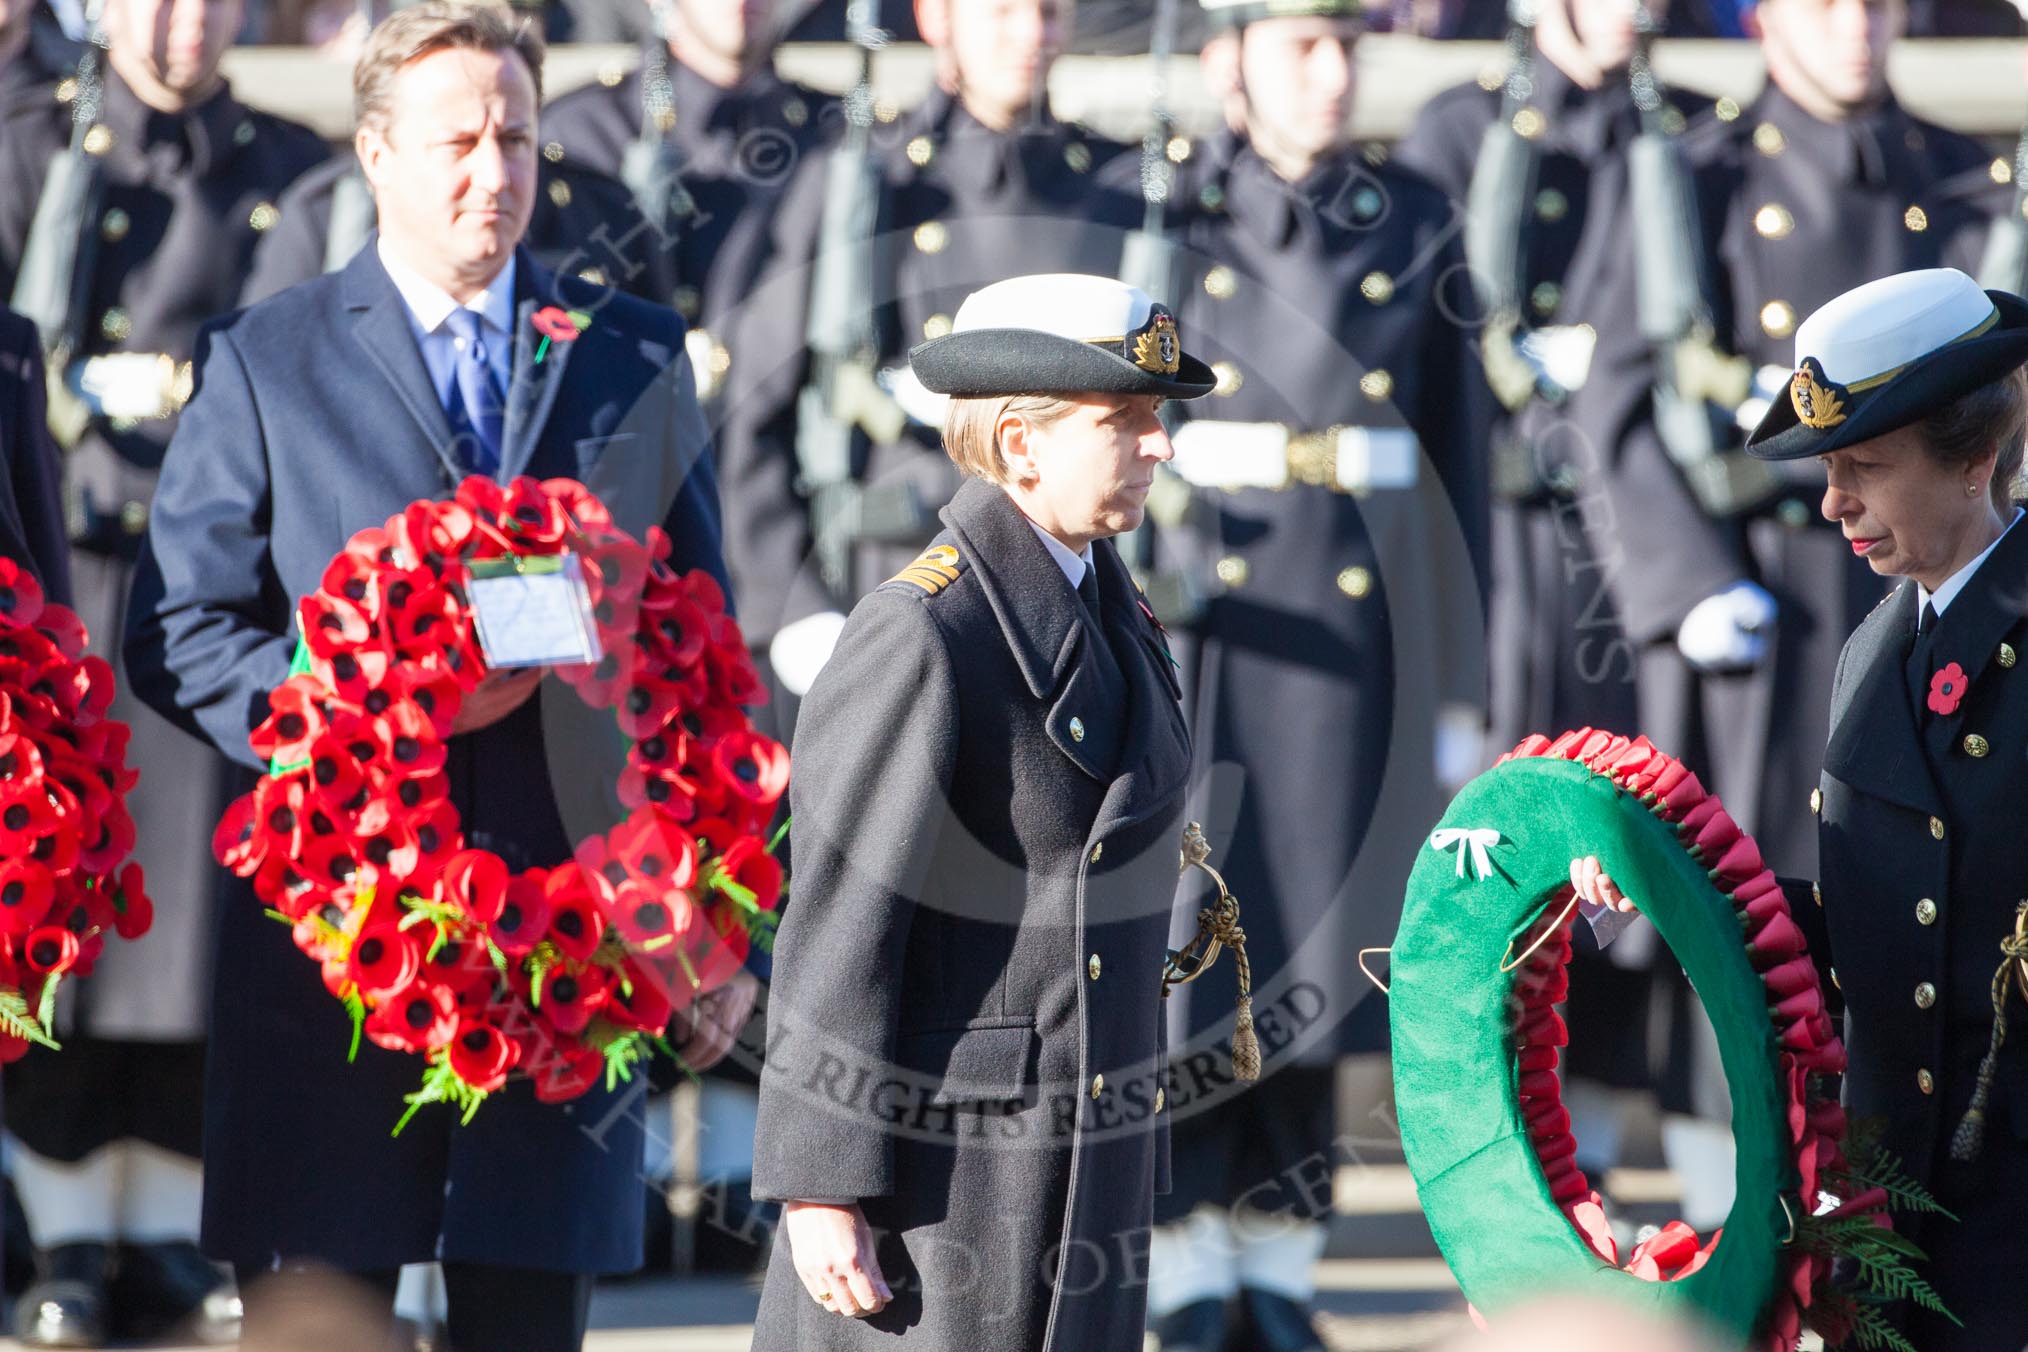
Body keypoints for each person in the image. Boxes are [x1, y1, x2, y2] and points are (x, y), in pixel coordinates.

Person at [120, 6, 749, 1349]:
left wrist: (701, 925)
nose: (494, 171)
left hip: (564, 951)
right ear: (374, 156)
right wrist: (357, 712)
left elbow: (702, 666)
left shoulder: (632, 351)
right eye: (457, 140)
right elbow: (177, 631)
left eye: (516, 136)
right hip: (335, 943)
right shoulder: (265, 356)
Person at [1563, 0, 1995, 1229]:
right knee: (1747, 903)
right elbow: (1615, 404)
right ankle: (1739, 1220)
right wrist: (1686, 580)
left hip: (1939, 592)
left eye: (1877, 0)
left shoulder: (1961, 173)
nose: (1856, 24)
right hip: (1766, 603)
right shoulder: (1695, 175)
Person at [748, 273, 1203, 1349]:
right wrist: (820, 1184)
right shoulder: (926, 630)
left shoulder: (1110, 600)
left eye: (1157, 416)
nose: (1160, 444)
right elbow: (842, 922)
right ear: (1020, 442)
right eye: (1123, 418)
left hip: (1079, 1148)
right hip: (950, 1181)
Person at [1576, 265, 2028, 1349]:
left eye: (1866, 466)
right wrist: (1666, 876)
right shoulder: (1876, 646)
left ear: (1975, 458)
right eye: (1829, 470)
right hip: (1896, 1208)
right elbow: (1880, 920)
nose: (1834, 504)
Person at [1125, 3, 1489, 1348]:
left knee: (1314, 965)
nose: (1331, 76)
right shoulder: (1170, 217)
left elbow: (1461, 478)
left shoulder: (1416, 222)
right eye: (1298, 46)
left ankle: (1280, 1278)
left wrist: (1462, 691)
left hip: (1351, 649)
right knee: (1187, 960)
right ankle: (1184, 1268)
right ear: (1229, 67)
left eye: (1345, 46)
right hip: (1209, 633)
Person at [0, 0, 328, 1340]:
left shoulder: (283, 166)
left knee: (190, 933)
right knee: (54, 915)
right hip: (64, 573)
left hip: (202, 584)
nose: (183, 26)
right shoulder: (27, 145)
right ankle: (66, 1240)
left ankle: (168, 1233)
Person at [1389, 0, 1703, 1232]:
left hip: (1630, 539)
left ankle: (1606, 1146)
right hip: (1504, 538)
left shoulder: (1674, 130)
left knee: (1629, 819)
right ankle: (1504, 1151)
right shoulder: (1459, 128)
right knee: (1504, 829)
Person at [721, 0, 1141, 723]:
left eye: (1049, 11)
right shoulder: (867, 178)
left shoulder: (1118, 190)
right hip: (897, 580)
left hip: (1072, 601)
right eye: (1003, 12)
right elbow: (755, 407)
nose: (1031, 35)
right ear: (935, 17)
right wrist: (792, 605)